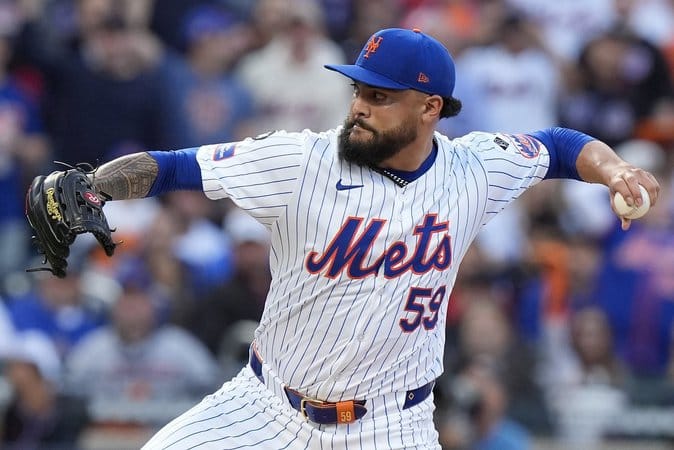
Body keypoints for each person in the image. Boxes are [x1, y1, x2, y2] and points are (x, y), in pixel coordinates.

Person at [40, 27, 660, 449]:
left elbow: (559, 146)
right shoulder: (300, 161)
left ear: (430, 108)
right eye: (358, 89)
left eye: (380, 96)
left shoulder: (474, 168)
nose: (359, 105)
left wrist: (616, 170)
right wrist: (94, 187)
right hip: (265, 408)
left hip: (392, 426)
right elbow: (176, 166)